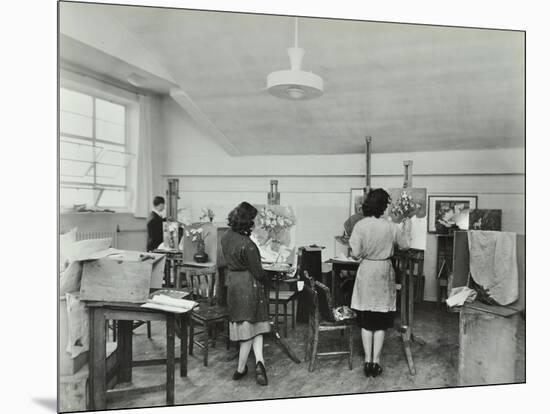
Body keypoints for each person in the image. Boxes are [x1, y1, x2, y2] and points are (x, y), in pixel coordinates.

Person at [349, 188, 411, 378]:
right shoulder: (391, 226)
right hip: (384, 271)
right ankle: (376, 362)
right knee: (380, 321)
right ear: (383, 206)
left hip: (367, 271)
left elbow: (355, 253)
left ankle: (367, 362)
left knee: (367, 321)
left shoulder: (360, 226)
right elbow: (406, 245)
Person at [221, 202, 270, 386]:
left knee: (252, 326)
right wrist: (268, 280)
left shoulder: (226, 237)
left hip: (233, 284)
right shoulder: (248, 245)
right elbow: (258, 272)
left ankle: (257, 363)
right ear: (247, 221)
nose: (255, 223)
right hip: (249, 287)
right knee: (250, 329)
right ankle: (243, 368)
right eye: (253, 220)